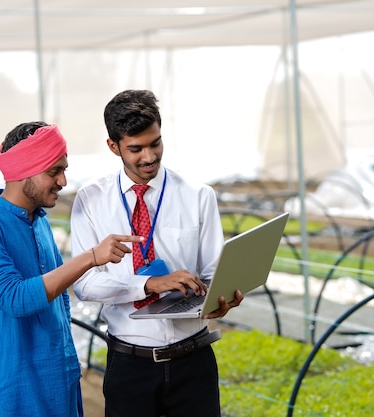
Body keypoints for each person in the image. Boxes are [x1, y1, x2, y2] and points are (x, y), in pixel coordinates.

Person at [70, 89, 244, 417]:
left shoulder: (197, 195)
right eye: (136, 149)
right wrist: (149, 285)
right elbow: (85, 284)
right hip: (129, 365)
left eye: (155, 143)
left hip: (193, 362)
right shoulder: (90, 201)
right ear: (113, 146)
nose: (149, 156)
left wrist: (222, 298)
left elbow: (212, 272)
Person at [0, 121, 143, 417]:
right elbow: (14, 298)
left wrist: (68, 363)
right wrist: (90, 257)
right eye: (54, 171)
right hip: (9, 396)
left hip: (59, 386)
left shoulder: (40, 221)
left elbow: (61, 301)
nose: (63, 181)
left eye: (64, 169)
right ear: (23, 171)